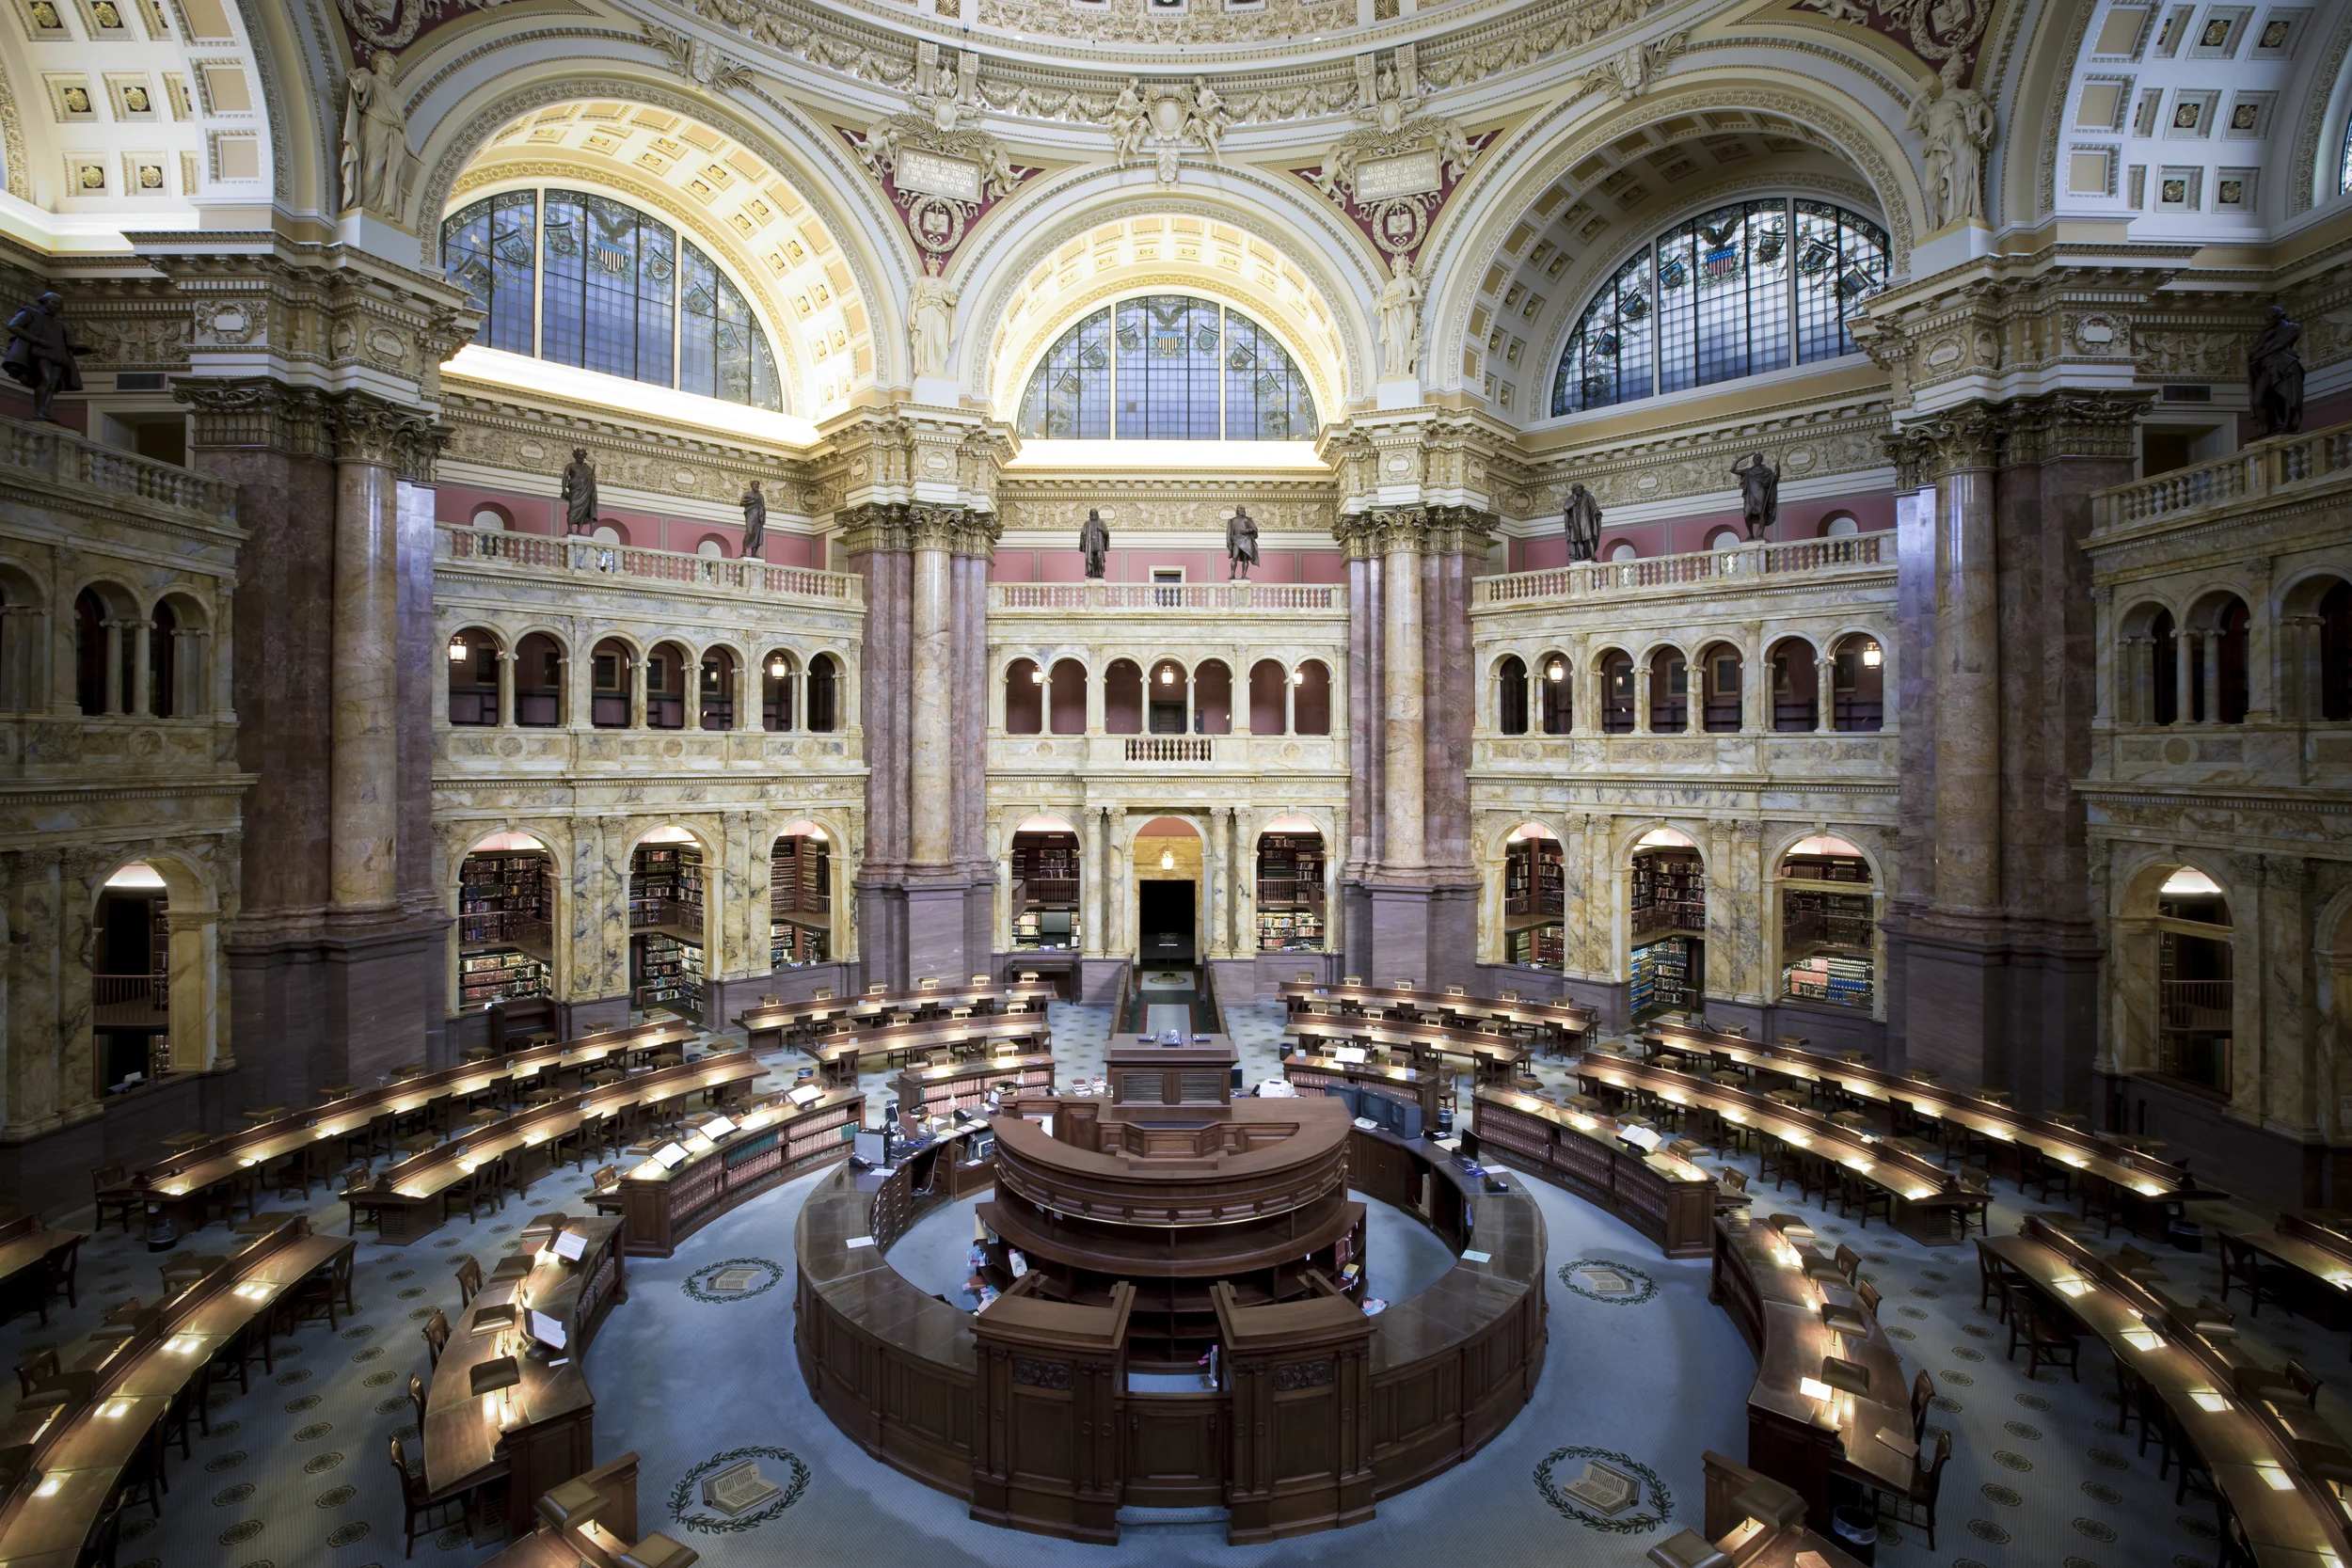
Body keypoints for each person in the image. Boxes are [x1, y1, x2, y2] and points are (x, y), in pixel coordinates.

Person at [1, 292, 88, 422]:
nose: (57, 306)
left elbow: (65, 345)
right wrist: (36, 340)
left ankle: (45, 412)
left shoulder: (60, 325)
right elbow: (13, 326)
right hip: (41, 352)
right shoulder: (30, 313)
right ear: (44, 301)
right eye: (54, 302)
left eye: (59, 304)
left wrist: (80, 349)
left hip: (59, 356)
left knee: (52, 385)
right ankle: (39, 412)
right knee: (46, 381)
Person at [2248, 305, 2305, 439]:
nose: (2269, 322)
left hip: (2283, 366)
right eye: (2267, 320)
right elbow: (2253, 351)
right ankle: (2266, 428)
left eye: (2271, 319)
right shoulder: (2266, 333)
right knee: (2258, 400)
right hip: (2266, 369)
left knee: (2287, 396)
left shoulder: (2292, 327)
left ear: (2279, 317)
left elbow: (2279, 344)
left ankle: (2287, 425)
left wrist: (2262, 350)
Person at [1730, 451, 1779, 540]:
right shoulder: (1748, 471)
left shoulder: (1766, 471)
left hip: (1760, 493)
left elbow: (1774, 479)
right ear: (1753, 460)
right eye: (1755, 458)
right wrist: (1739, 459)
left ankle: (1760, 534)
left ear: (1761, 460)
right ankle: (1750, 534)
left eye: (1759, 458)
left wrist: (1778, 470)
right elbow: (1733, 470)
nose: (1757, 460)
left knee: (1762, 512)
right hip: (1750, 495)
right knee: (1747, 515)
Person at [560, 448, 598, 536]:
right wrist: (564, 489)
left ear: (584, 457)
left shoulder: (587, 468)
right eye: (579, 455)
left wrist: (593, 491)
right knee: (573, 509)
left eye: (582, 456)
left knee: (583, 511)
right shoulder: (570, 466)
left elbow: (592, 480)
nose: (580, 457)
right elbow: (565, 478)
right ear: (575, 456)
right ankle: (569, 528)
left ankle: (579, 530)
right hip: (575, 491)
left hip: (586, 492)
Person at [1562, 482, 1603, 562]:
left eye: (1580, 489)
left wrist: (1596, 512)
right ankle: (1581, 556)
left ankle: (1592, 555)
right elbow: (1566, 507)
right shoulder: (1571, 499)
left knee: (1589, 538)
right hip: (1575, 522)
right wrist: (1574, 501)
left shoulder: (1588, 498)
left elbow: (1593, 507)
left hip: (1586, 521)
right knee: (1578, 540)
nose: (1579, 491)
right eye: (1577, 490)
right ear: (1574, 491)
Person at [1226, 505, 1260, 580]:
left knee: (1245, 558)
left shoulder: (1248, 519)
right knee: (1234, 557)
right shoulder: (1232, 521)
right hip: (1236, 540)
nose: (1242, 510)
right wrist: (1229, 543)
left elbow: (1254, 529)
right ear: (1237, 510)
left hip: (1246, 540)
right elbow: (1229, 533)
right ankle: (1232, 574)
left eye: (1243, 508)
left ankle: (1244, 575)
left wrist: (1246, 531)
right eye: (1241, 508)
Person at [1079, 508, 1110, 578]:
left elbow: (1106, 533)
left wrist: (1101, 530)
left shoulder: (1102, 522)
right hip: (1090, 544)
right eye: (1092, 515)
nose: (1093, 516)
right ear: (1090, 515)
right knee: (1091, 559)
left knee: (1099, 558)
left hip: (1098, 544)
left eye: (1095, 514)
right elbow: (1083, 534)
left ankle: (1099, 573)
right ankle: (1092, 573)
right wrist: (1083, 545)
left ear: (1097, 514)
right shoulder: (1087, 523)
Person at [740, 479, 768, 557]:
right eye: (755, 484)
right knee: (749, 532)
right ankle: (744, 551)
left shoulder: (761, 496)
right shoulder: (747, 494)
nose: (757, 486)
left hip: (759, 515)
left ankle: (753, 552)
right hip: (751, 514)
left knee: (757, 534)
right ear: (752, 485)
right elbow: (741, 503)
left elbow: (763, 507)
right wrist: (751, 502)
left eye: (758, 485)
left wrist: (764, 517)